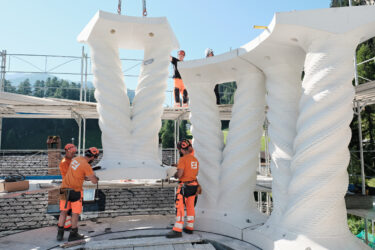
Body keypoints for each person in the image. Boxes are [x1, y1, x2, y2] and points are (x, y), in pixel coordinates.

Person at [56, 147, 99, 242]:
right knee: (75, 213)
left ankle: (59, 234)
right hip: (75, 191)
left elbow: (77, 173)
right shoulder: (86, 166)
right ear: (93, 157)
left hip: (64, 188)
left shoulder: (76, 159)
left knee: (63, 212)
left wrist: (85, 177)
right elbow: (94, 181)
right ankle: (73, 234)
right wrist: (96, 178)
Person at [166, 139, 199, 238]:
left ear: (181, 149)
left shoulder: (183, 159)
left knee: (179, 206)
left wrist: (174, 174)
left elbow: (180, 174)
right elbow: (194, 172)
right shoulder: (195, 159)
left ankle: (177, 230)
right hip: (193, 186)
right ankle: (189, 227)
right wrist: (178, 166)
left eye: (180, 150)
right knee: (190, 207)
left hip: (184, 186)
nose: (179, 151)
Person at [59, 143, 77, 230]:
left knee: (70, 210)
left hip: (69, 188)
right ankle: (61, 231)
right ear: (67, 151)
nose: (73, 154)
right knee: (64, 211)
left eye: (74, 152)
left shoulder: (72, 161)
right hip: (67, 188)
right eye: (72, 152)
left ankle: (67, 226)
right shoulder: (64, 162)